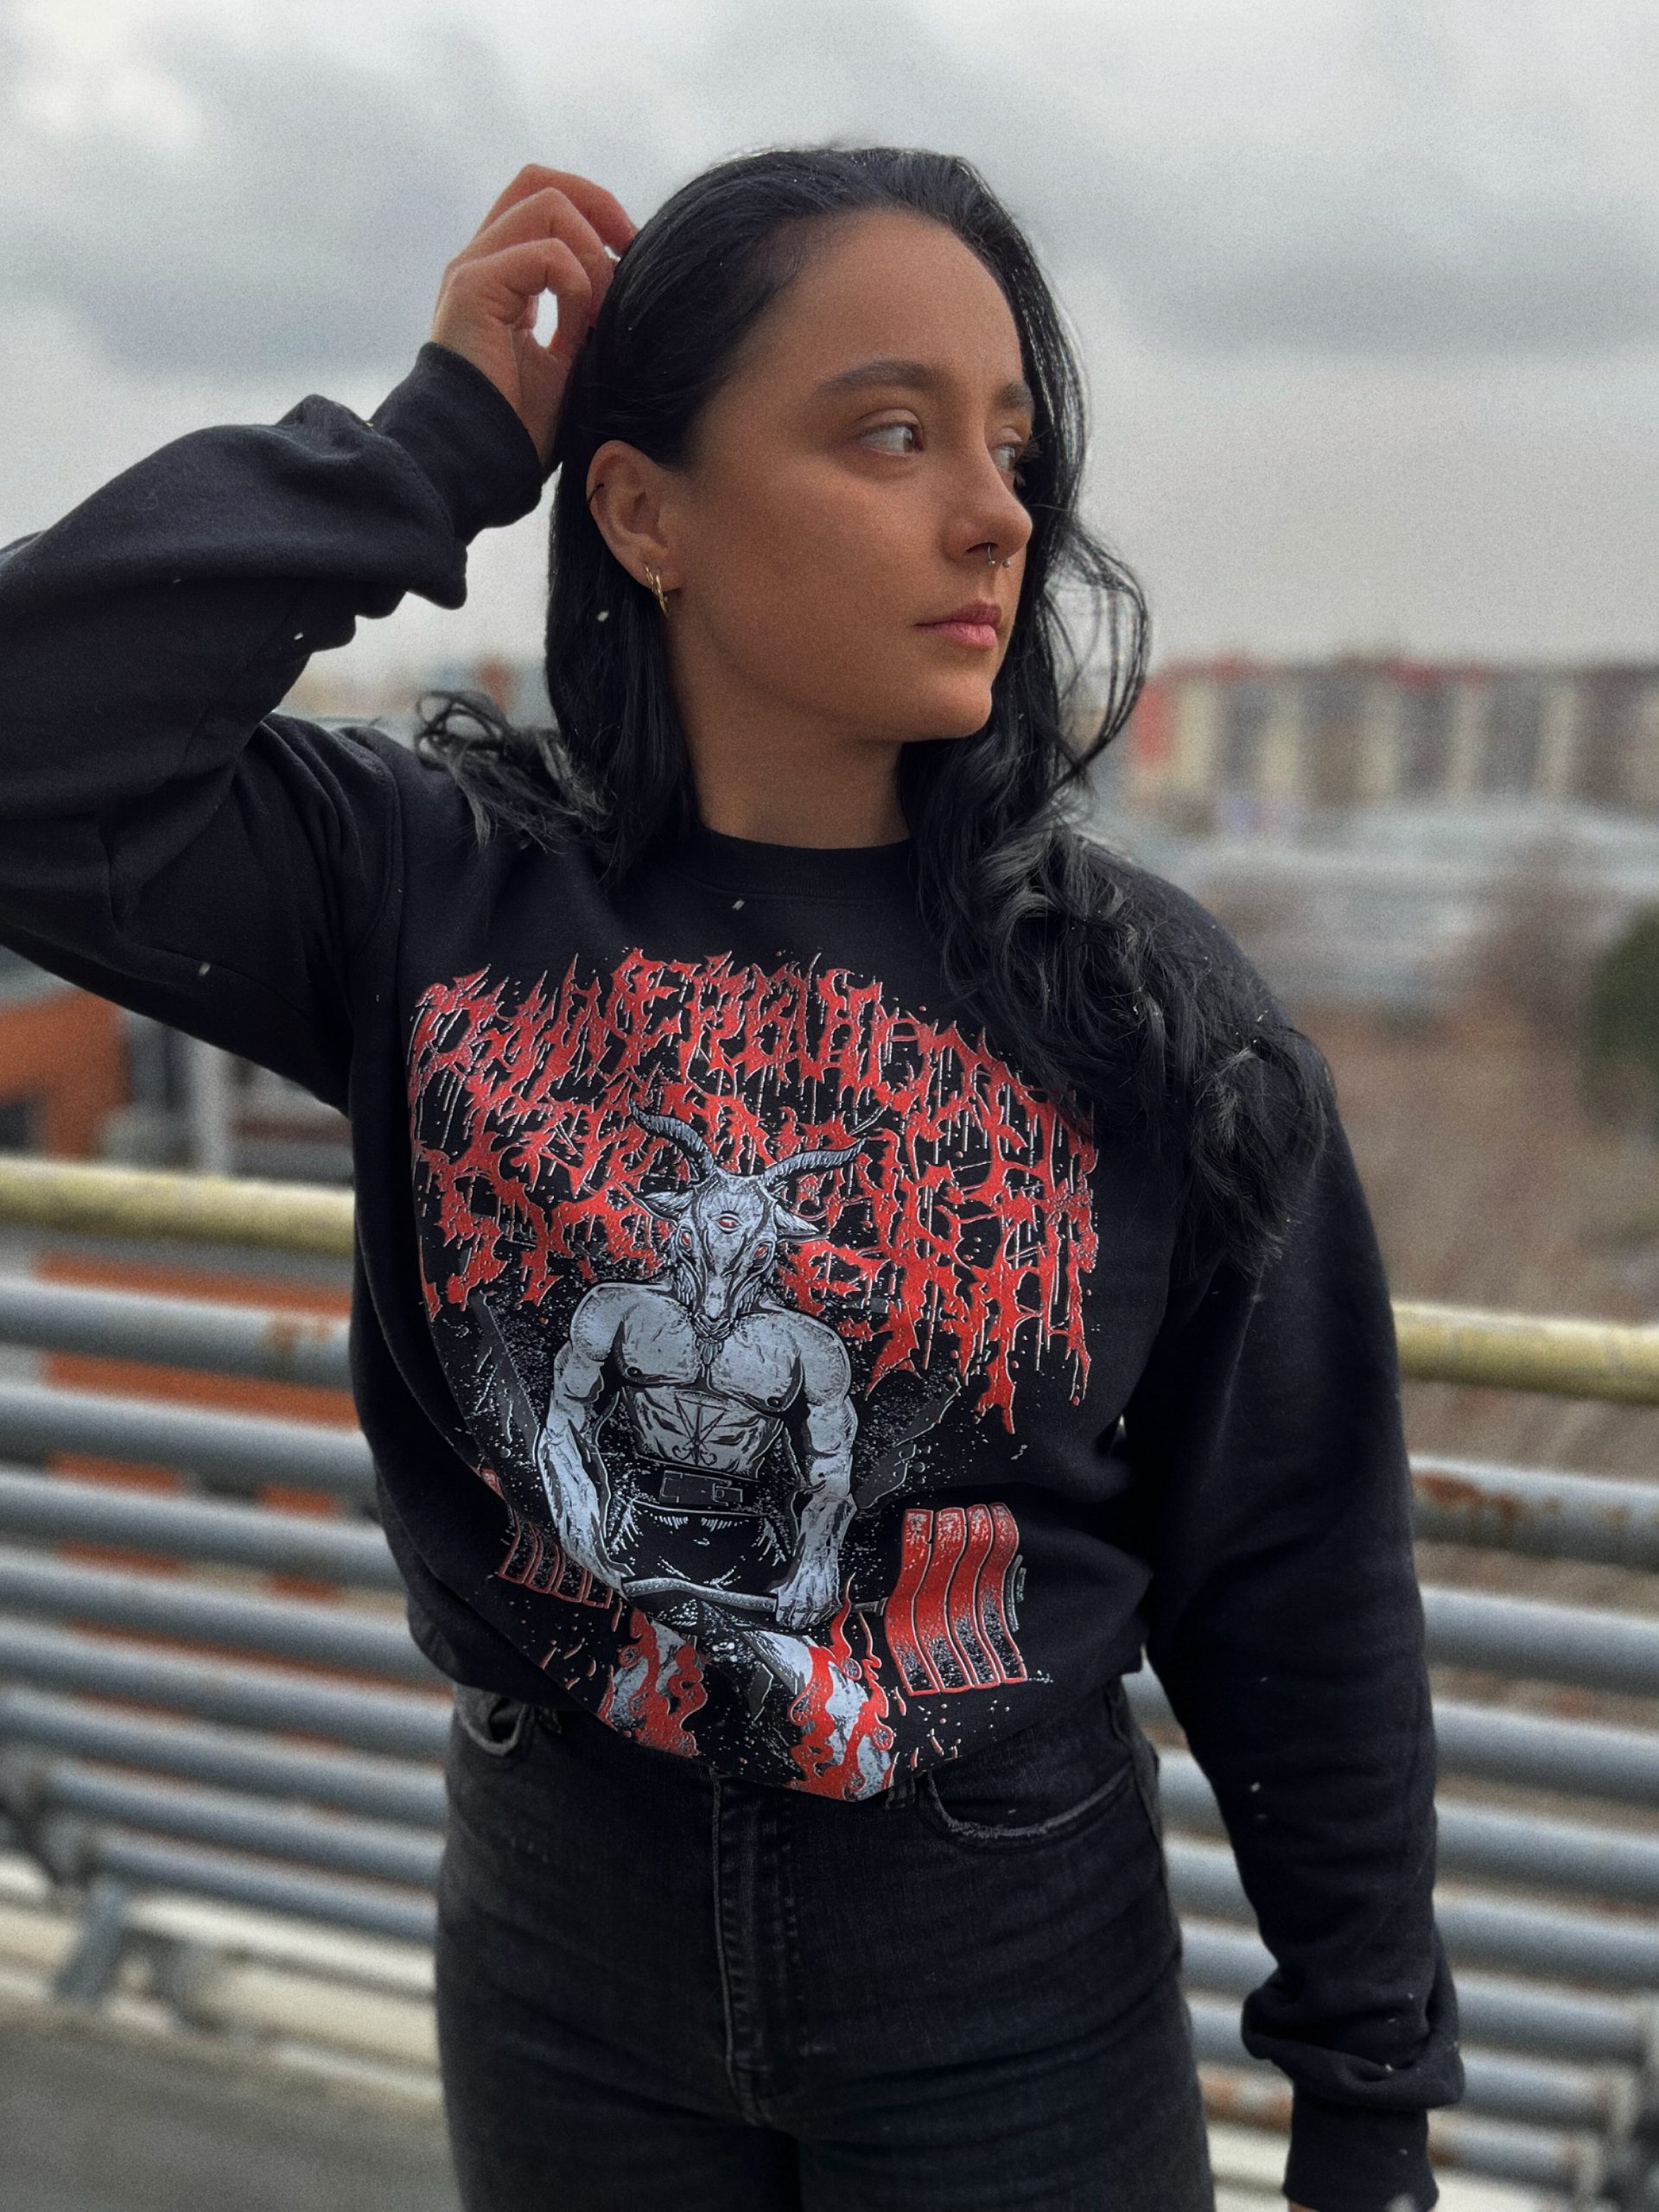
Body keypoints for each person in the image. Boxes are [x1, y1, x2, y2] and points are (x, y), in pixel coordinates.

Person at [0, 145, 1462, 2210]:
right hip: (561, 1933)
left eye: (1011, 444)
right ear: (642, 511)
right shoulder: (432, 894)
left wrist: (1368, 2096)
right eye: (891, 432)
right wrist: (434, 445)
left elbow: (1298, 1566)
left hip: (999, 1961)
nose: (997, 511)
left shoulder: (1144, 1010)